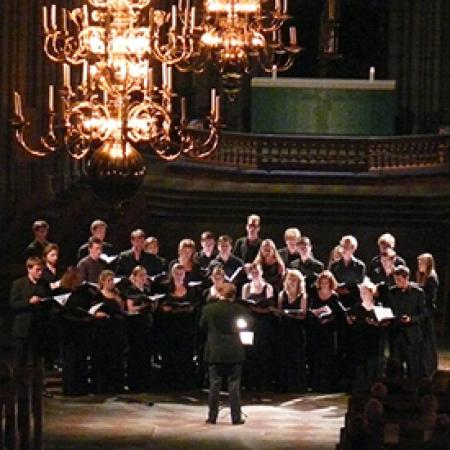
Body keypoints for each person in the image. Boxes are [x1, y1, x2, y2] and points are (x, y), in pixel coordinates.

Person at [200, 283, 246, 425]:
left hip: (215, 351)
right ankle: (236, 418)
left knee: (214, 385)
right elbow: (247, 325)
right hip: (234, 350)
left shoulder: (208, 309)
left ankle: (212, 417)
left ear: (219, 293)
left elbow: (202, 326)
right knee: (234, 385)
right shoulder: (239, 309)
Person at [158, 263, 198, 390]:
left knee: (184, 355)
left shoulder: (191, 290)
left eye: (181, 273)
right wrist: (165, 309)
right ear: (172, 274)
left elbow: (194, 306)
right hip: (170, 327)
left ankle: (184, 383)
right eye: (176, 273)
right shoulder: (166, 289)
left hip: (185, 327)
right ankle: (169, 384)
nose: (179, 276)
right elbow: (160, 306)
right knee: (170, 355)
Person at [9, 256, 52, 368]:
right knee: (19, 362)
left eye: (41, 269)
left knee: (37, 363)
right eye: (37, 270)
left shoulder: (44, 284)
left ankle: (37, 385)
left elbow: (49, 303)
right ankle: (18, 384)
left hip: (38, 329)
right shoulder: (18, 284)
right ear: (29, 269)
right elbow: (13, 304)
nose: (40, 272)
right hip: (22, 329)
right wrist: (29, 302)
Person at [386, 265, 426, 379]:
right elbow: (388, 310)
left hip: (412, 336)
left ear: (406, 278)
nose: (397, 282)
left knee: (413, 368)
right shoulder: (392, 292)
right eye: (395, 280)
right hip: (396, 335)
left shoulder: (418, 293)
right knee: (395, 368)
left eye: (399, 280)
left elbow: (424, 314)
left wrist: (411, 319)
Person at [241, 262, 275, 391]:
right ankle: (250, 382)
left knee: (263, 351)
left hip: (263, 323)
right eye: (252, 271)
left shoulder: (268, 287)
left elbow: (270, 306)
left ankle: (263, 383)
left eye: (257, 270)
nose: (254, 273)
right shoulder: (246, 287)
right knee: (249, 352)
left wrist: (259, 308)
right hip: (249, 323)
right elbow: (244, 305)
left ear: (261, 272)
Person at [90, 270, 125, 394]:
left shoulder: (117, 294)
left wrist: (118, 300)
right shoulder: (98, 295)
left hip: (116, 330)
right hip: (102, 330)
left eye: (113, 280)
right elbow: (93, 311)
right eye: (109, 280)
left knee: (115, 358)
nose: (111, 283)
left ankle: (114, 386)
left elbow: (122, 309)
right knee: (101, 359)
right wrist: (100, 314)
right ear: (103, 281)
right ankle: (100, 387)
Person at [346, 278, 385, 381]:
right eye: (362, 292)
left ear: (372, 293)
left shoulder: (378, 307)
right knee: (360, 366)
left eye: (366, 292)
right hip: (360, 341)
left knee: (373, 364)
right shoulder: (356, 308)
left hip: (374, 341)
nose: (363, 294)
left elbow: (383, 324)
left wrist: (375, 323)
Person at [307, 270, 340, 392]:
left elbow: (337, 314)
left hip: (329, 330)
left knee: (327, 358)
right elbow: (309, 310)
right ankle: (315, 384)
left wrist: (329, 318)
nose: (325, 284)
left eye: (327, 282)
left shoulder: (334, 296)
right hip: (316, 329)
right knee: (316, 357)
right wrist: (316, 312)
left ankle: (326, 385)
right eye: (323, 282)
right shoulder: (315, 294)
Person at [276, 269, 308, 392]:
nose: (292, 281)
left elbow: (303, 315)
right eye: (290, 279)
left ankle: (298, 385)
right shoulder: (282, 295)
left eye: (294, 279)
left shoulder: (302, 296)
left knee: (297, 356)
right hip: (284, 329)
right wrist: (282, 313)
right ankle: (284, 384)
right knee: (284, 356)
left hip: (297, 329)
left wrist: (290, 314)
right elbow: (279, 312)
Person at [124, 266, 154, 392]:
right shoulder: (131, 290)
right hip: (135, 325)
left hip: (146, 325)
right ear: (134, 277)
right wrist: (143, 307)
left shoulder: (147, 290)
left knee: (145, 354)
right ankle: (134, 384)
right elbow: (130, 309)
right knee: (135, 354)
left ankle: (145, 383)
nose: (143, 278)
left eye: (145, 275)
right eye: (141, 275)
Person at [416, 253, 439, 377]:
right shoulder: (422, 276)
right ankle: (423, 366)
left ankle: (430, 367)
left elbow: (429, 297)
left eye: (421, 263)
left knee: (428, 340)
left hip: (427, 312)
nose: (419, 265)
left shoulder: (431, 277)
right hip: (422, 311)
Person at [330, 235, 366, 307]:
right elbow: (331, 283)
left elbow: (360, 284)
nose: (343, 249)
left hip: (354, 300)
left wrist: (348, 290)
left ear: (353, 248)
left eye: (346, 247)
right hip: (338, 299)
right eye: (342, 246)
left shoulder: (360, 266)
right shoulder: (334, 266)